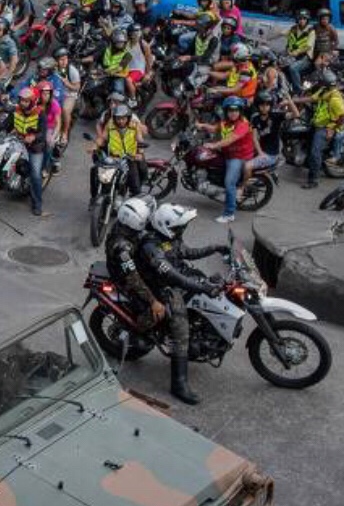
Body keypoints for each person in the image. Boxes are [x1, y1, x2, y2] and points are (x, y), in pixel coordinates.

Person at [138, 203, 230, 405]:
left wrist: (215, 248)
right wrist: (200, 287)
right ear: (166, 226)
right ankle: (178, 384)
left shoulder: (170, 238)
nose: (182, 230)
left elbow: (186, 253)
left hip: (177, 280)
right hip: (160, 289)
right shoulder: (151, 247)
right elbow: (172, 275)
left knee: (209, 287)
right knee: (181, 331)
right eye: (179, 227)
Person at [104, 196, 165, 333]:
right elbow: (132, 277)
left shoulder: (123, 225)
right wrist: (153, 302)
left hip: (135, 261)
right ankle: (137, 331)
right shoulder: (122, 248)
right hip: (123, 278)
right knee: (158, 310)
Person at [196, 96, 255, 223]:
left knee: (229, 182)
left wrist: (214, 145)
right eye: (230, 110)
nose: (233, 112)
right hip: (227, 153)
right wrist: (201, 125)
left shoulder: (243, 124)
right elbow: (214, 128)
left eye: (236, 110)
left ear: (240, 111)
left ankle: (229, 213)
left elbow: (230, 139)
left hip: (239, 157)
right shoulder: (225, 122)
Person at [298, 69, 344, 189]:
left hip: (324, 128)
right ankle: (307, 163)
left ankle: (313, 180)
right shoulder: (324, 91)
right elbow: (311, 99)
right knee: (307, 143)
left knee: (315, 153)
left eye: (320, 82)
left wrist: (332, 128)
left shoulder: (334, 99)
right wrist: (291, 100)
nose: (318, 84)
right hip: (316, 124)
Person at [92, 103, 146, 201]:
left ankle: (133, 201)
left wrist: (140, 153)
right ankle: (94, 197)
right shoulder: (110, 124)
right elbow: (103, 138)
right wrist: (95, 145)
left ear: (128, 117)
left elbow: (140, 140)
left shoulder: (134, 125)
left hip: (130, 158)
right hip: (113, 158)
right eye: (118, 118)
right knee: (96, 172)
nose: (120, 121)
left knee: (135, 186)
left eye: (123, 118)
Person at [11, 88, 50, 216]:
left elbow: (43, 134)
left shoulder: (40, 113)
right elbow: (6, 124)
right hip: (19, 143)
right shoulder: (16, 110)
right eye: (22, 100)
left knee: (35, 175)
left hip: (35, 147)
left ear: (32, 101)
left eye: (26, 101)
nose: (23, 103)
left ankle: (37, 204)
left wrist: (33, 137)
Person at [284, 9, 317, 91]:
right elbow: (283, 34)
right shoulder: (293, 28)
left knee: (293, 68)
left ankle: (298, 91)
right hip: (291, 55)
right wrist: (267, 39)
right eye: (300, 18)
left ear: (307, 20)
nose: (302, 20)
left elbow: (308, 47)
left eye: (304, 19)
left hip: (305, 58)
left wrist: (297, 52)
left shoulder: (311, 31)